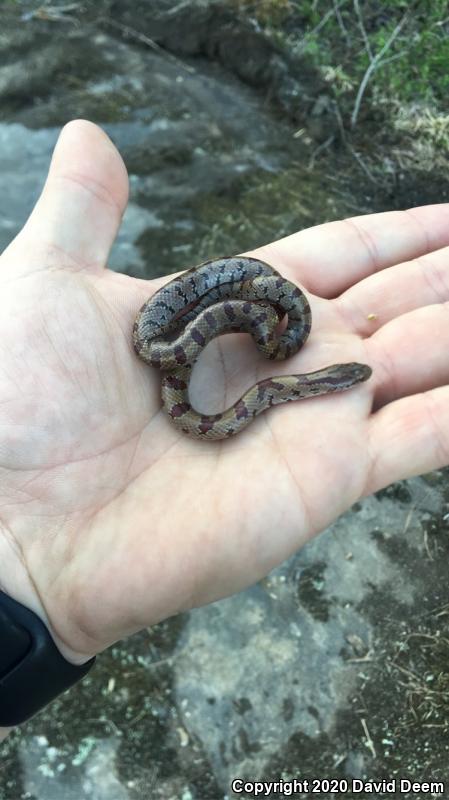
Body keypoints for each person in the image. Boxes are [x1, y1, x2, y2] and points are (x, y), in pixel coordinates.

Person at [1, 120, 449, 740]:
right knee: (189, 351)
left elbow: (273, 365)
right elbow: (222, 364)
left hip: (242, 325)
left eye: (338, 380)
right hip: (204, 333)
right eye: (342, 381)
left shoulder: (276, 346)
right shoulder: (182, 350)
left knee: (240, 351)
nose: (339, 381)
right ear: (334, 383)